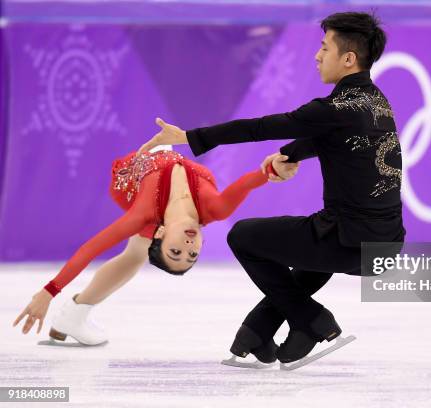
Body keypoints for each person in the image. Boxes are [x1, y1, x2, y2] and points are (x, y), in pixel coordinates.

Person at [136, 11, 405, 365]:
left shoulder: (334, 108)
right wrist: (289, 154)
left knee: (244, 237)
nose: (317, 55)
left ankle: (313, 321)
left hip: (349, 240)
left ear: (349, 58)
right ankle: (257, 332)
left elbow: (260, 127)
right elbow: (336, 139)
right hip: (385, 245)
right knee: (310, 260)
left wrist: (189, 137)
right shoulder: (376, 103)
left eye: (325, 48)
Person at [12, 147, 298, 347]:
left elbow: (90, 249)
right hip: (160, 160)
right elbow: (248, 182)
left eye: (176, 252)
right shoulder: (215, 209)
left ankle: (72, 314)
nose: (187, 246)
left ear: (159, 233)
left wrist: (48, 292)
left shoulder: (144, 214)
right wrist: (274, 168)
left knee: (135, 254)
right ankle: (73, 315)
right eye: (192, 254)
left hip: (128, 182)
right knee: (135, 255)